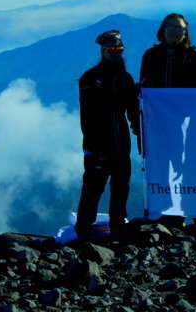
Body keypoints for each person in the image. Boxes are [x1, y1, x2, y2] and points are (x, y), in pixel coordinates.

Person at [75, 29, 139, 242]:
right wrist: (92, 147)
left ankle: (118, 230)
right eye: (111, 49)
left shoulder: (125, 78)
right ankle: (83, 231)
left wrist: (140, 134)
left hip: (121, 143)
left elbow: (133, 111)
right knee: (93, 189)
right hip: (98, 144)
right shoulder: (89, 78)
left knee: (121, 189)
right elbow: (87, 117)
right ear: (103, 50)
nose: (115, 52)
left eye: (119, 49)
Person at [139, 13, 196, 88]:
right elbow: (144, 82)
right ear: (163, 30)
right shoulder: (150, 55)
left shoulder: (192, 57)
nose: (174, 30)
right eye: (170, 26)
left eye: (179, 27)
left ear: (185, 33)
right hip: (157, 99)